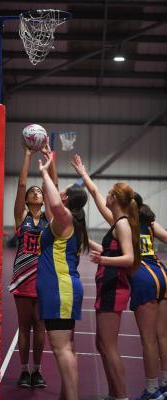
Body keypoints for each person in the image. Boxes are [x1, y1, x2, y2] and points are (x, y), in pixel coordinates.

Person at [71, 154, 140, 400]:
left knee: (109, 347)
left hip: (114, 289)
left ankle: (121, 396)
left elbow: (129, 258)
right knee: (102, 344)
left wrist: (104, 260)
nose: (106, 196)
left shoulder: (121, 224)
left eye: (111, 193)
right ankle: (114, 394)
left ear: (117, 200)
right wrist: (83, 173)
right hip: (107, 286)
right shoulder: (117, 221)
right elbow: (96, 193)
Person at [37, 153, 89, 400]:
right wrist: (51, 161)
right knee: (67, 348)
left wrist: (44, 172)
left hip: (60, 289)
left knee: (61, 349)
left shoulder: (65, 218)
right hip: (63, 288)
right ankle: (66, 396)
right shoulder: (65, 221)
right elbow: (52, 200)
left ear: (67, 199)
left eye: (63, 191)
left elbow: (56, 203)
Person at [9, 144, 57, 388]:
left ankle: (37, 371)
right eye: (34, 191)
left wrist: (51, 160)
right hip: (22, 277)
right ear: (28, 199)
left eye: (40, 191)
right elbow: (20, 184)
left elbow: (54, 190)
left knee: (41, 326)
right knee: (24, 326)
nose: (38, 193)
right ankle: (24, 371)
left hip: (44, 278)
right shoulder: (21, 217)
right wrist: (27, 155)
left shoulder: (50, 219)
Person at [129, 193, 167, 400]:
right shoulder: (150, 222)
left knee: (148, 339)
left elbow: (98, 199)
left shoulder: (125, 223)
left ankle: (152, 391)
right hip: (162, 272)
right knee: (163, 336)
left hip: (144, 277)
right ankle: (165, 386)